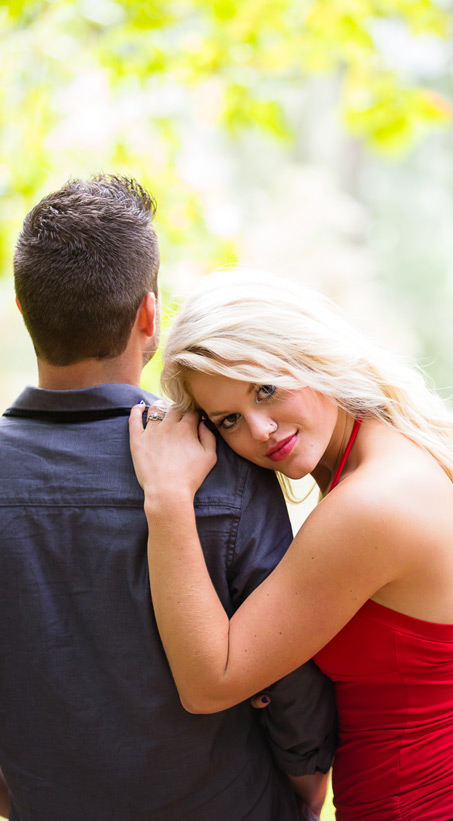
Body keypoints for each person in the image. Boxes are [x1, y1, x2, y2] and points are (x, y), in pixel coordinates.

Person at [128, 270, 453, 821]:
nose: (259, 430)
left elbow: (210, 683)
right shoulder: (379, 451)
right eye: (228, 419)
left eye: (266, 389)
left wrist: (167, 498)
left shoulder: (370, 503)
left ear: (310, 356)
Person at [0, 175, 336, 819]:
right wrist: (305, 778)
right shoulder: (222, 463)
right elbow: (289, 667)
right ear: (149, 314)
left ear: (23, 310)